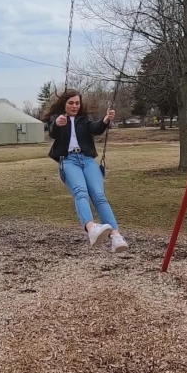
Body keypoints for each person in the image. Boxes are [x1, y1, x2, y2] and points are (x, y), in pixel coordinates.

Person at [43, 89, 128, 253]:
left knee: (99, 195)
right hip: (69, 160)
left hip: (88, 160)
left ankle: (116, 237)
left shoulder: (83, 120)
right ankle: (91, 229)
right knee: (80, 192)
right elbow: (52, 130)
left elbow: (95, 128)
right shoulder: (58, 118)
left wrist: (105, 120)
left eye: (77, 103)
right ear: (64, 104)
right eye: (71, 103)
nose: (74, 106)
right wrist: (58, 123)